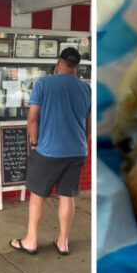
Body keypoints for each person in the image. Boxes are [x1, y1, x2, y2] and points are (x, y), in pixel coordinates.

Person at [10, 48, 91, 255]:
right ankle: (63, 242)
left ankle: (31, 240)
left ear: (58, 62)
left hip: (48, 150)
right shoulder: (86, 89)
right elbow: (89, 123)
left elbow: (33, 118)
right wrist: (82, 141)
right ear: (77, 66)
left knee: (37, 195)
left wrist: (35, 144)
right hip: (77, 150)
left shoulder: (44, 84)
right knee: (67, 196)